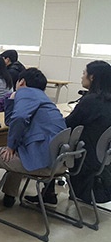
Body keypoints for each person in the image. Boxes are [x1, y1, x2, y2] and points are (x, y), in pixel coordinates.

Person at [25, 61, 111, 206]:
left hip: (82, 156)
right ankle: (48, 193)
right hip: (100, 155)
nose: (82, 77)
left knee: (50, 140)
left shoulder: (91, 101)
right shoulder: (106, 101)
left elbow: (67, 124)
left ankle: (48, 191)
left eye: (84, 73)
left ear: (93, 77)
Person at [0, 68, 66, 212]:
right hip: (59, 161)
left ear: (22, 82)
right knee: (21, 148)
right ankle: (9, 196)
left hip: (41, 162)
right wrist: (12, 100)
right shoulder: (43, 98)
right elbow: (10, 121)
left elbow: (19, 118)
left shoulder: (26, 92)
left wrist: (10, 146)